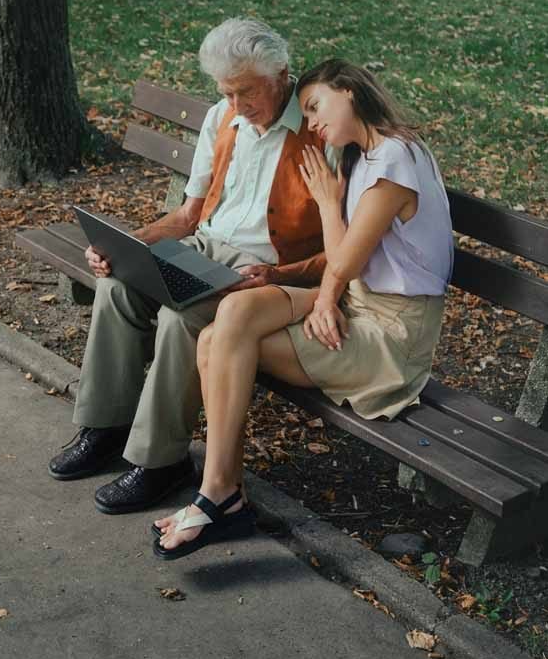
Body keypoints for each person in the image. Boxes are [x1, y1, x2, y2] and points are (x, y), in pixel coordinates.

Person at [154, 58, 454, 559]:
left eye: (315, 107)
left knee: (215, 340)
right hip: (357, 304)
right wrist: (320, 286)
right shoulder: (365, 155)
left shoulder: (397, 160)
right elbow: (344, 267)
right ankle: (222, 492)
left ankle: (218, 496)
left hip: (390, 335)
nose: (310, 122)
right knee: (234, 316)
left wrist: (325, 207)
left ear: (350, 92)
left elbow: (344, 262)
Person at [48, 19, 332, 515]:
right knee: (117, 285)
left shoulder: (320, 131)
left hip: (265, 272)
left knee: (182, 319)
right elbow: (188, 215)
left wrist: (282, 275)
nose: (238, 106)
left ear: (282, 74)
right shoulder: (223, 118)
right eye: (227, 93)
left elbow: (344, 248)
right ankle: (106, 427)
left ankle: (161, 462)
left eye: (247, 92)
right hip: (204, 246)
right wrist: (128, 245)